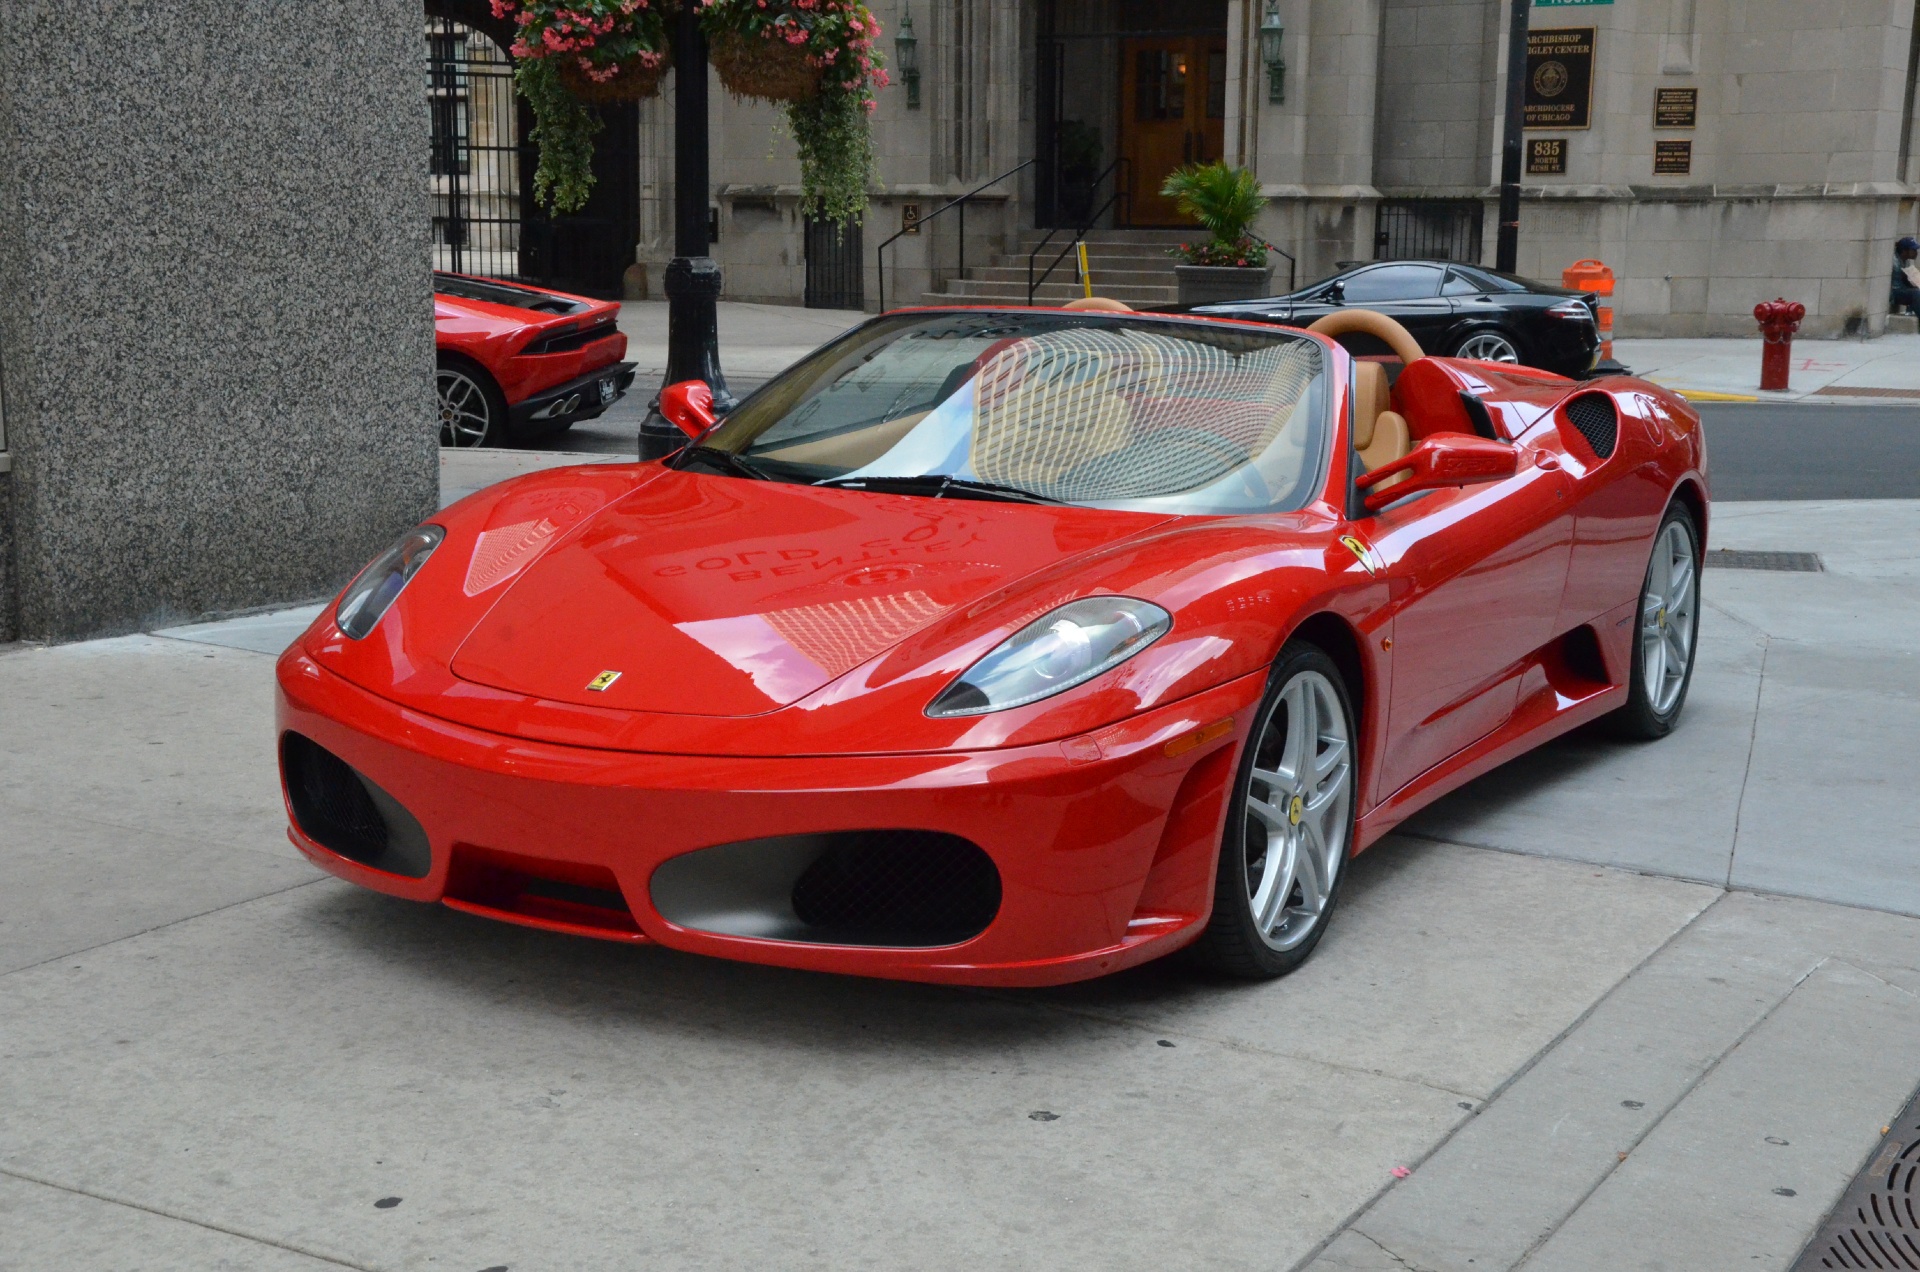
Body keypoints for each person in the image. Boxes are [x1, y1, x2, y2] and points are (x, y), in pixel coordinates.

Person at [1894, 236, 1920, 315]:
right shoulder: (1895, 262)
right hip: (1895, 291)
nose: (1916, 252)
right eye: (1913, 250)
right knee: (1917, 293)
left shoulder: (1907, 261)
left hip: (1904, 288)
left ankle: (1911, 310)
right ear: (1904, 251)